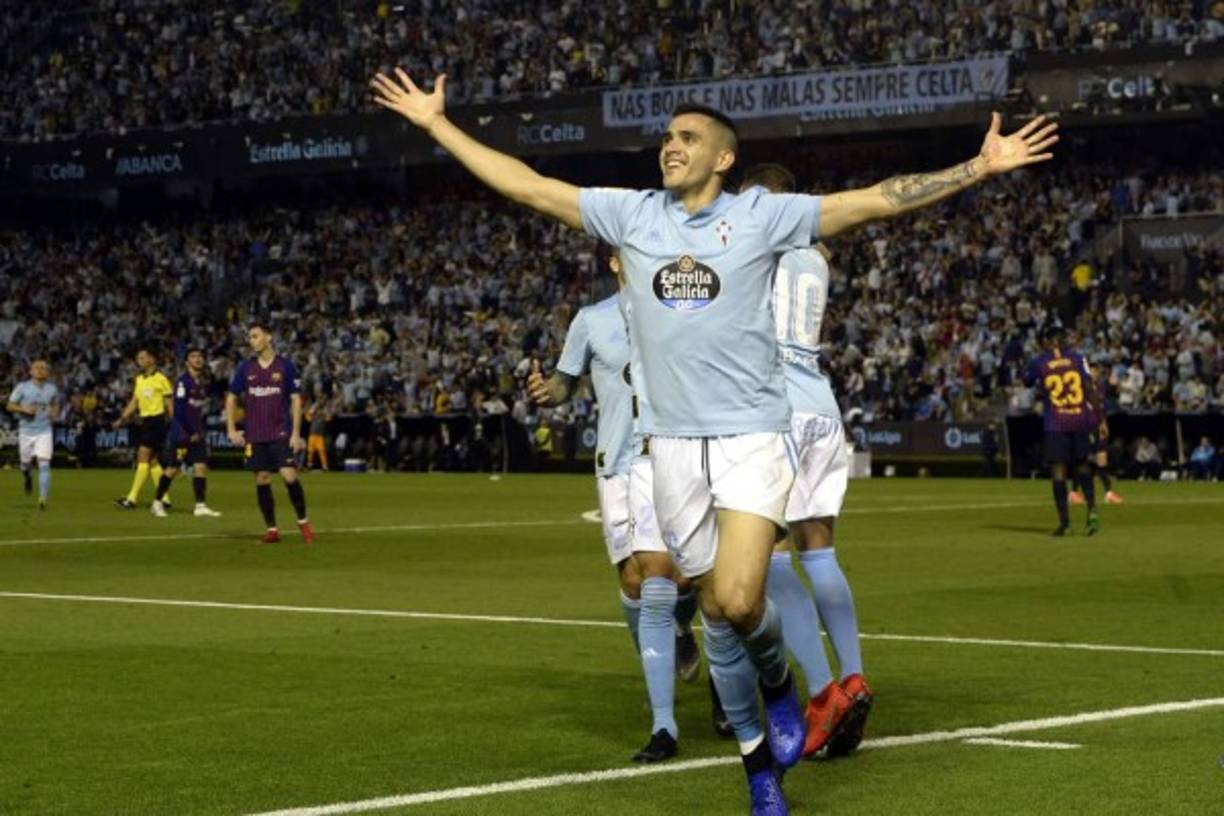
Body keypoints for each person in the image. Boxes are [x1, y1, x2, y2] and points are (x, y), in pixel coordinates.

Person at [372, 67, 1056, 815]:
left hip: (752, 436)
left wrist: (979, 167)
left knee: (738, 597)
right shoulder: (633, 215)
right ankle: (764, 743)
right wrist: (437, 125)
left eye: (688, 138)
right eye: (667, 136)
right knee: (720, 609)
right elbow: (529, 185)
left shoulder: (761, 216)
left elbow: (870, 202)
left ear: (723, 158)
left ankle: (772, 732)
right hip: (668, 446)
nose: (671, 146)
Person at [527, 251, 701, 763]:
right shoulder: (591, 320)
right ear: (615, 262)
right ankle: (673, 642)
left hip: (665, 453)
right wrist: (547, 391)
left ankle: (664, 727)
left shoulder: (678, 311)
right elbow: (565, 381)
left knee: (666, 577)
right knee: (634, 583)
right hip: (614, 462)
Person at [741, 163, 872, 760]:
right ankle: (854, 675)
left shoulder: (751, 238)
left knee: (763, 559)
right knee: (819, 549)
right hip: (820, 400)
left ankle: (822, 696)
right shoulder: (815, 255)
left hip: (776, 405)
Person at [226, 322, 313, 543]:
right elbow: (231, 397)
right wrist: (231, 428)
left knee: (289, 475)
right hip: (255, 433)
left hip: (280, 431)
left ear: (269, 337)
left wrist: (295, 433)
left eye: (255, 336)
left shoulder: (286, 367)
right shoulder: (246, 368)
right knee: (262, 479)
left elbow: (295, 401)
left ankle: (303, 521)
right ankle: (272, 530)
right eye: (250, 337)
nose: (251, 340)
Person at [1026, 326, 1101, 536]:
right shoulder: (1078, 359)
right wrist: (1100, 418)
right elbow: (1089, 387)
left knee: (1058, 472)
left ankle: (1065, 524)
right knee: (1083, 465)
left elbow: (1027, 381)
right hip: (1079, 419)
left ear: (1048, 342)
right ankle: (1092, 510)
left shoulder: (1039, 362)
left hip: (1056, 423)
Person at [151, 347, 222, 518]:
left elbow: (197, 411)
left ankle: (200, 505)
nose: (198, 359)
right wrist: (190, 432)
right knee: (172, 469)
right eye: (193, 356)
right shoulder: (183, 382)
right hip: (182, 433)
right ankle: (157, 502)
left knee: (200, 467)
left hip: (196, 433)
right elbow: (180, 411)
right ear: (187, 362)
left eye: (199, 356)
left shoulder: (201, 383)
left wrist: (199, 431)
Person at [112, 348, 172, 510]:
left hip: (157, 421)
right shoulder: (139, 379)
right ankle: (164, 498)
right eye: (138, 358)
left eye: (142, 357)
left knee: (142, 457)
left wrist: (174, 423)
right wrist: (121, 418)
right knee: (152, 462)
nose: (139, 360)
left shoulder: (161, 379)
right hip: (146, 421)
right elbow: (134, 402)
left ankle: (131, 499)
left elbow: (169, 403)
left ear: (152, 360)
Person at [6, 359, 60, 510]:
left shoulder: (52, 389)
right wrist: (24, 410)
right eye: (36, 367)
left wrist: (54, 414)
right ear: (31, 372)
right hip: (26, 431)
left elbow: (55, 404)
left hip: (44, 431)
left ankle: (42, 498)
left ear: (47, 372)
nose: (40, 370)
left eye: (43, 368)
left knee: (44, 463)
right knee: (25, 464)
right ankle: (27, 476)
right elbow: (9, 405)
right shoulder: (22, 388)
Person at [1069, 362, 1123, 506]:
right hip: (1084, 427)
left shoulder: (1099, 388)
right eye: (1093, 370)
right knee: (1082, 460)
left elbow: (1101, 408)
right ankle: (1074, 492)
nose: (1096, 373)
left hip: (1097, 427)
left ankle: (1109, 493)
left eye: (1097, 371)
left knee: (1102, 458)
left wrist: (1103, 423)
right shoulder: (1080, 388)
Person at [305, 399, 331, 471]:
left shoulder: (323, 417)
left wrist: (325, 412)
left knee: (322, 451)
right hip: (312, 436)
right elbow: (307, 418)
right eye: (317, 410)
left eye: (320, 410)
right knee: (310, 452)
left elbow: (329, 418)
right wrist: (312, 410)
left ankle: (325, 466)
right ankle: (309, 465)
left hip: (320, 436)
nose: (318, 411)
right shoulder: (313, 417)